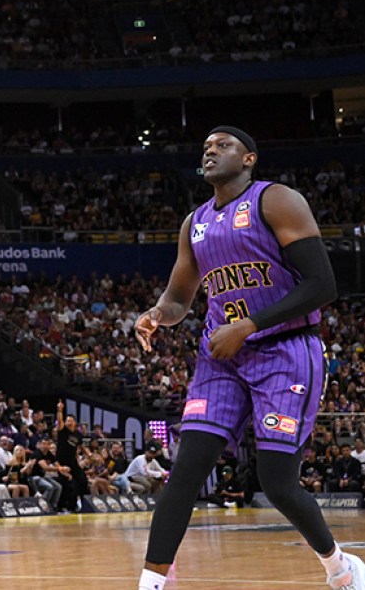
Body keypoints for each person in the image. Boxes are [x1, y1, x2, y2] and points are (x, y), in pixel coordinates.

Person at [133, 126, 364, 590]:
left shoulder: (276, 201)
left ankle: (339, 566)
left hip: (285, 350)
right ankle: (150, 584)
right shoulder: (194, 222)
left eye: (223, 145)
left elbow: (323, 284)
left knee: (277, 483)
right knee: (186, 471)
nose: (210, 151)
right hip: (221, 359)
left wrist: (249, 325)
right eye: (206, 146)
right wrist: (159, 313)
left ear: (249, 158)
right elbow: (180, 297)